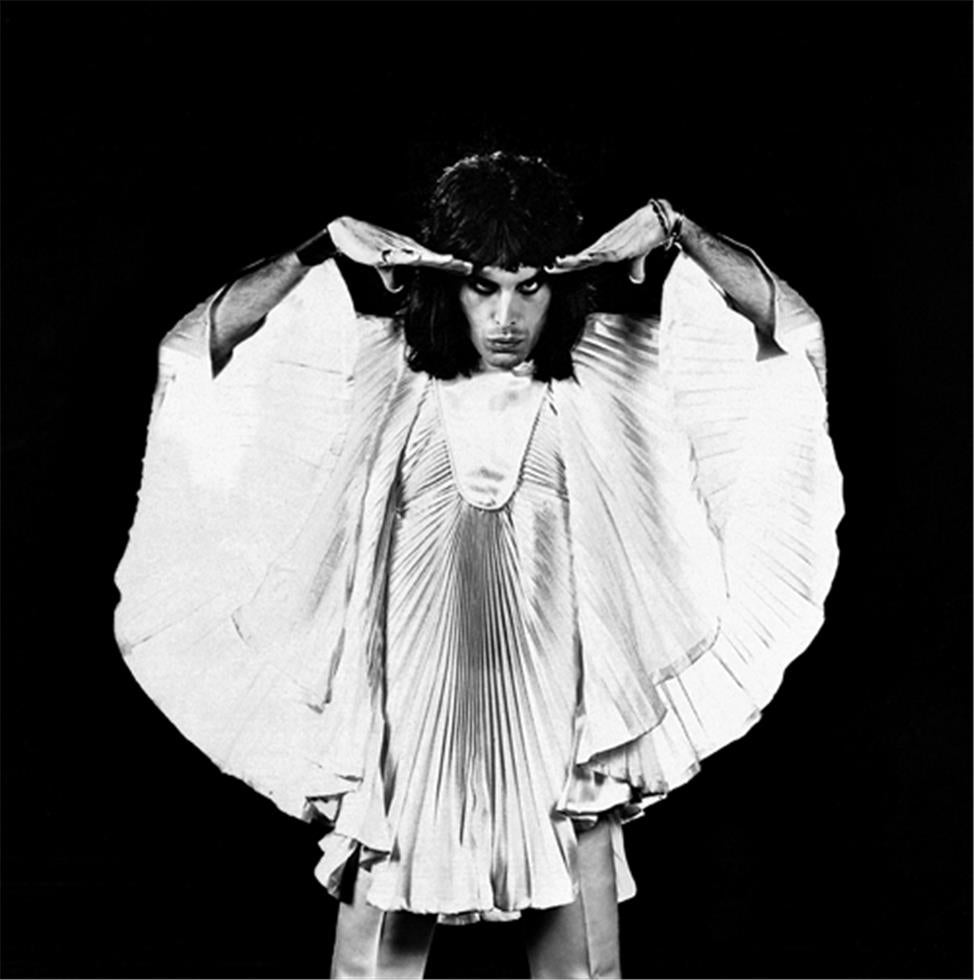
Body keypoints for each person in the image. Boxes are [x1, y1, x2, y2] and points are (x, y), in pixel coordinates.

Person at [114, 151, 843, 979]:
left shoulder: (607, 368)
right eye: (483, 286)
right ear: (444, 281)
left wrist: (679, 231)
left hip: (565, 720)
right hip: (404, 718)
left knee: (583, 975)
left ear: (561, 284)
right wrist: (319, 248)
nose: (506, 317)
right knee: (370, 975)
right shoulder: (380, 367)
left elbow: (789, 333)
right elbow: (197, 351)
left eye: (529, 286)